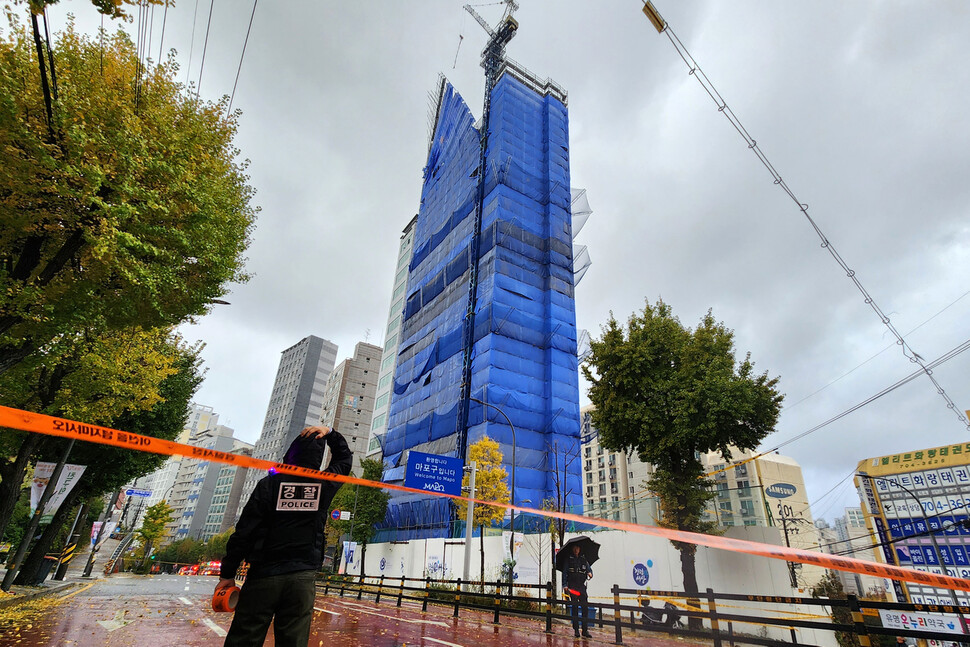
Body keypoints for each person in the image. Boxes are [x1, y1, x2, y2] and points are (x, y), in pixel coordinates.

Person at [215, 425, 352, 647]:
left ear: (290, 453)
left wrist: (227, 573)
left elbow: (244, 532)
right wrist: (331, 433)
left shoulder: (269, 485)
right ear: (318, 458)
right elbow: (344, 460)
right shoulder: (323, 484)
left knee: (245, 636)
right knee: (293, 640)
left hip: (264, 575)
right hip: (302, 577)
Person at [562, 543, 593, 638]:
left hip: (581, 586)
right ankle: (576, 630)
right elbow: (564, 573)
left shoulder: (584, 559)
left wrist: (590, 573)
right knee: (575, 607)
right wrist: (564, 585)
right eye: (574, 548)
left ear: (580, 549)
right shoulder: (568, 560)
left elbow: (590, 570)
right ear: (572, 549)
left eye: (577, 548)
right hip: (572, 587)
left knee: (585, 608)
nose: (576, 550)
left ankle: (585, 630)